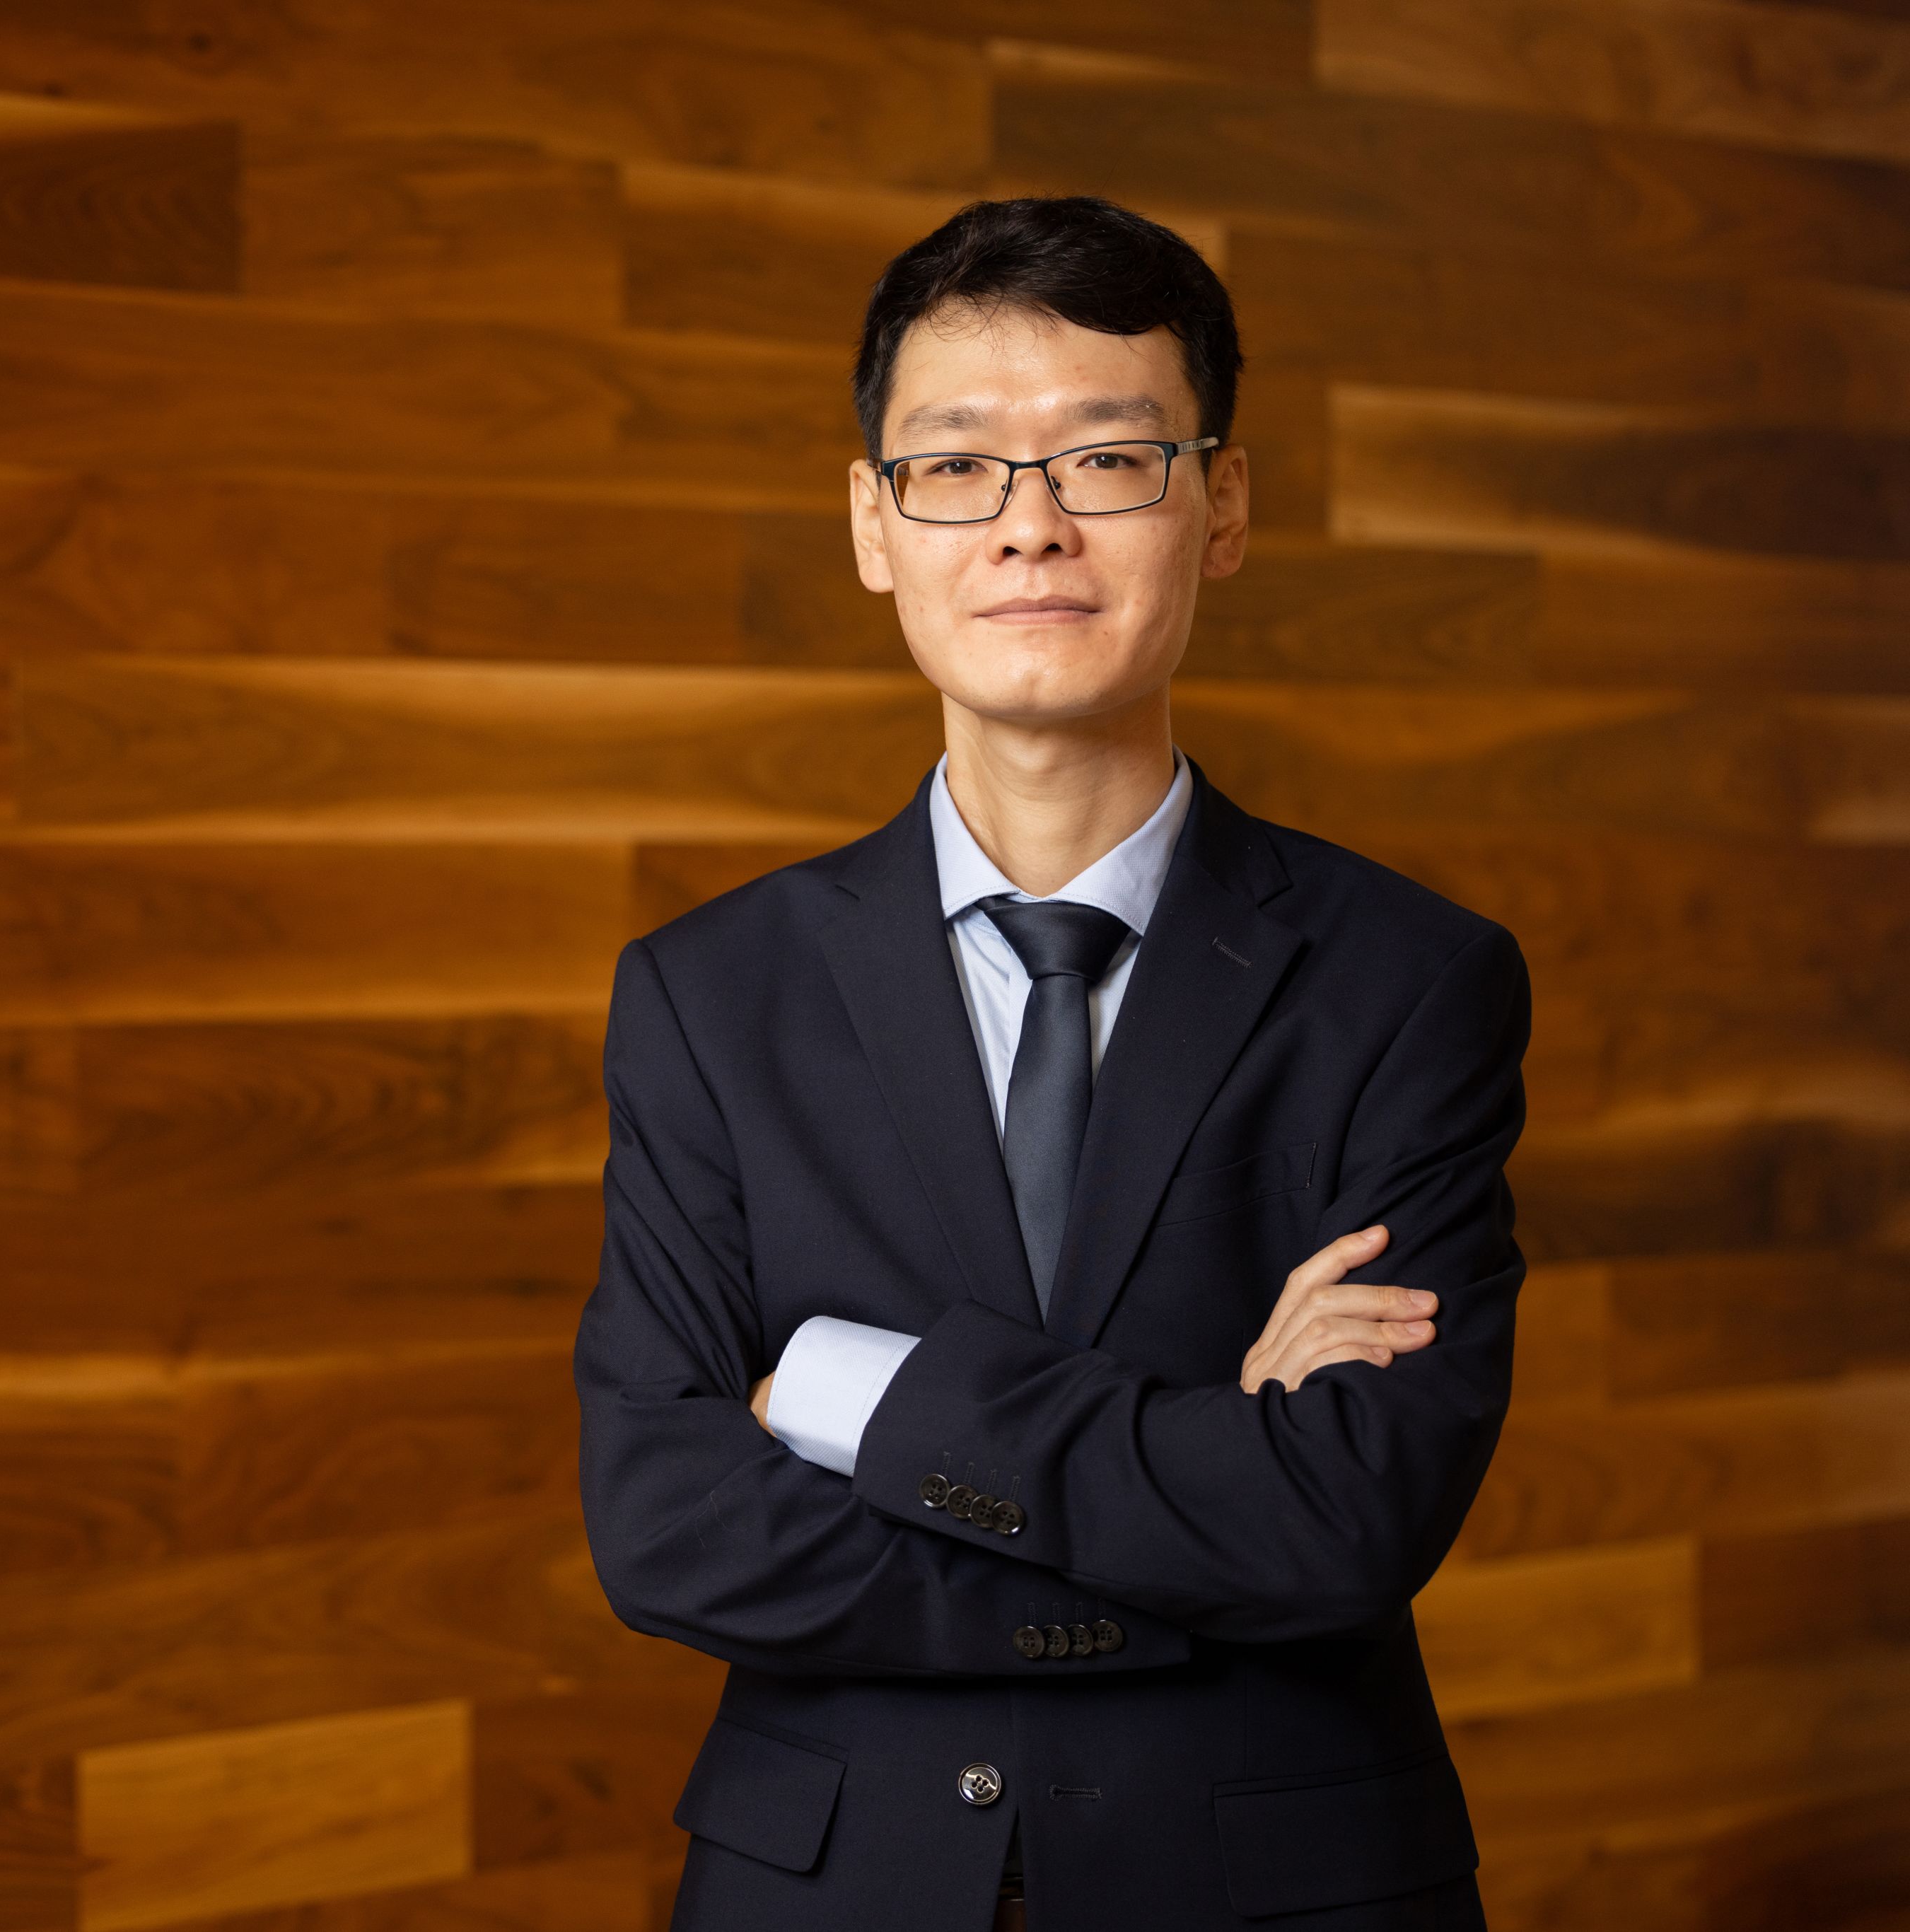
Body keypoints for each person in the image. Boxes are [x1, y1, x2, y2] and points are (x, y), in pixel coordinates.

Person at [572, 196, 1528, 1932]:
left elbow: (1346, 1516)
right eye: (955, 468)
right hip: (829, 1886)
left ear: (1218, 507)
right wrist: (1197, 1483)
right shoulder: (710, 994)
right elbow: (665, 1521)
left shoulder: (1409, 981)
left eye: (1105, 459)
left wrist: (861, 1402)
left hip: (1275, 1884)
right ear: (872, 524)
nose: (1027, 528)